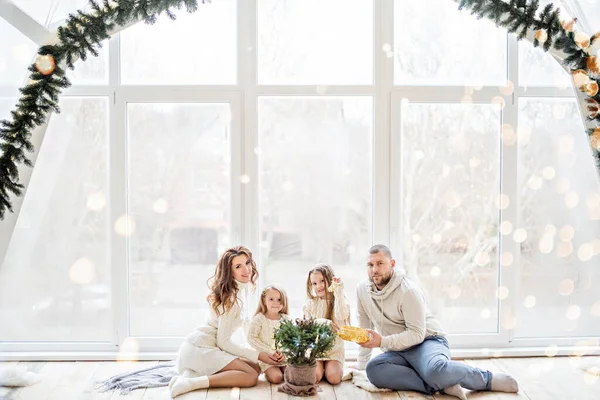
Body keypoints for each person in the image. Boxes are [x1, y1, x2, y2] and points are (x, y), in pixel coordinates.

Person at [355, 244, 519, 400]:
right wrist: (362, 364)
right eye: (370, 265)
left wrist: (382, 341)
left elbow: (417, 335)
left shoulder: (408, 291)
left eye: (380, 263)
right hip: (397, 348)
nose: (374, 270)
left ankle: (487, 379)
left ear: (392, 264)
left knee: (435, 370)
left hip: (427, 341)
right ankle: (440, 386)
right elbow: (365, 332)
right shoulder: (362, 290)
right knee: (374, 370)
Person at [168, 246, 281, 398]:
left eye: (247, 263)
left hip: (204, 346)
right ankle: (191, 383)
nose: (246, 269)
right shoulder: (232, 299)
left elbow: (247, 328)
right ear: (229, 271)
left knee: (255, 367)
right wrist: (259, 355)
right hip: (200, 348)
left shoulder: (239, 290)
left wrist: (265, 351)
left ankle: (191, 375)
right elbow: (223, 342)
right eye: (238, 266)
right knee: (250, 377)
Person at [302, 263, 351, 385]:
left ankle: (328, 369)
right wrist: (324, 323)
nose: (318, 286)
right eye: (314, 283)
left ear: (330, 280)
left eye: (322, 281)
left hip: (334, 350)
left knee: (334, 378)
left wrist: (338, 292)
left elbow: (342, 316)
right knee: (314, 377)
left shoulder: (340, 300)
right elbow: (307, 325)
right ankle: (320, 369)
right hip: (316, 350)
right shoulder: (311, 303)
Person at [247, 284, 289, 383]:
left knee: (291, 376)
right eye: (271, 299)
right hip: (267, 358)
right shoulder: (259, 319)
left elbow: (290, 339)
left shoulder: (286, 319)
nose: (276, 303)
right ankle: (267, 373)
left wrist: (284, 353)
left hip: (283, 357)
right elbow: (251, 338)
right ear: (264, 301)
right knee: (276, 378)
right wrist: (270, 351)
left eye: (279, 300)